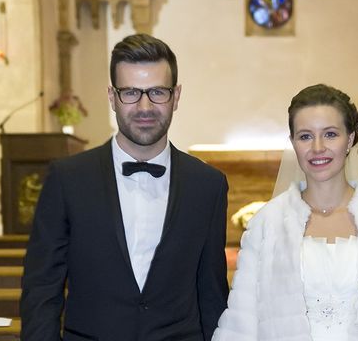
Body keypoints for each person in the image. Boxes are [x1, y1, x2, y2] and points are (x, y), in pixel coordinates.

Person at [21, 34, 229, 341]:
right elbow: (42, 289)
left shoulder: (208, 185)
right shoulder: (68, 179)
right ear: (112, 96)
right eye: (130, 92)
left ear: (176, 96)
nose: (144, 106)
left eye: (158, 92)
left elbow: (212, 293)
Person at [213, 84, 358, 341]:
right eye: (305, 136)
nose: (317, 147)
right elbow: (241, 321)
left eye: (331, 134)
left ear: (351, 138)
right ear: (293, 143)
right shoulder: (266, 224)